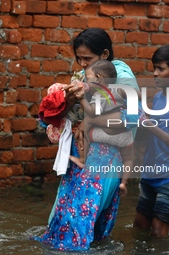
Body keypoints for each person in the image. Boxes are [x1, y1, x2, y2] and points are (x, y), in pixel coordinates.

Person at [32, 28, 140, 251]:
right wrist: (69, 101)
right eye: (78, 58)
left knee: (79, 220)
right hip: (82, 158)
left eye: (87, 58)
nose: (81, 63)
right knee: (70, 220)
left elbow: (127, 121)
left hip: (104, 159)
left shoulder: (121, 78)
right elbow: (49, 119)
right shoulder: (86, 77)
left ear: (105, 54)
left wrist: (88, 118)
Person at [133, 43, 169, 237]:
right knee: (140, 225)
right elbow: (153, 131)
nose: (155, 73)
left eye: (160, 69)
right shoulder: (159, 98)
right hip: (151, 171)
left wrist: (152, 126)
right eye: (154, 68)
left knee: (158, 231)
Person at [69, 60, 135, 173]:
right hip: (126, 136)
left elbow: (92, 112)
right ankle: (124, 182)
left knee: (82, 135)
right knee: (129, 159)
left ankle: (82, 159)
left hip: (107, 133)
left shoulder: (99, 94)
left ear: (98, 78)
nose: (86, 82)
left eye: (88, 79)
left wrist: (82, 98)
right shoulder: (117, 89)